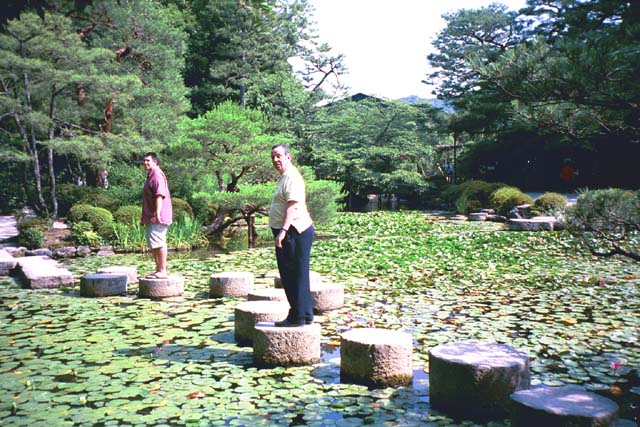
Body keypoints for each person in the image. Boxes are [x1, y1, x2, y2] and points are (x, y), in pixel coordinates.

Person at [269, 144, 315, 327]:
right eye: (273, 157)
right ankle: (304, 313)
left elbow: (293, 206)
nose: (275, 160)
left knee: (293, 274)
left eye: (279, 156)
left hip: (294, 231)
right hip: (291, 231)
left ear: (289, 157)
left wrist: (283, 231)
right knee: (295, 273)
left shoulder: (292, 177)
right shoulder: (285, 177)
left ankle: (297, 317)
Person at [141, 152, 173, 279]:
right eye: (144, 161)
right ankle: (158, 269)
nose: (145, 163)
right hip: (151, 215)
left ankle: (162, 270)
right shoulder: (151, 175)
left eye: (148, 161)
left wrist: (158, 213)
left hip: (157, 215)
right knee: (153, 243)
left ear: (155, 162)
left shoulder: (157, 174)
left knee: (159, 242)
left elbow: (160, 195)